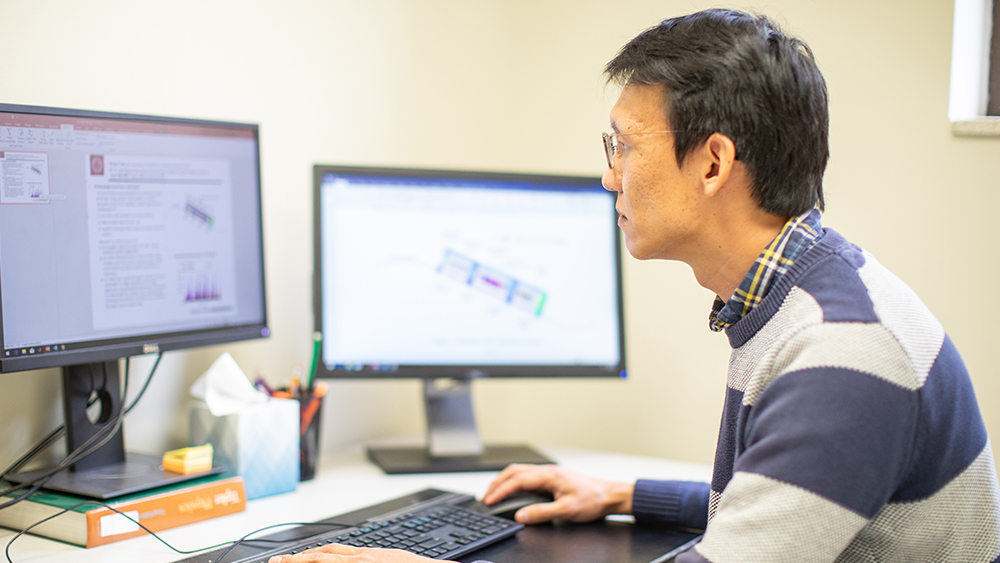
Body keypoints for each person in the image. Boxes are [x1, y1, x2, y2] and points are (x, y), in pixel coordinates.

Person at [269, 8, 1000, 563]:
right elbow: (777, 502)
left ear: (713, 164)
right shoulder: (808, 295)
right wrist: (625, 494)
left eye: (623, 145)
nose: (608, 175)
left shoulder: (841, 354)